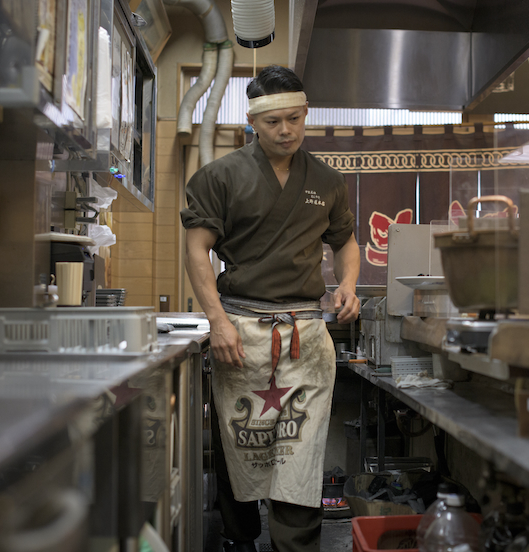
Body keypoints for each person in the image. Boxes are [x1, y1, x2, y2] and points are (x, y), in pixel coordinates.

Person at [180, 64, 361, 552]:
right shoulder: (219, 177)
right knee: (242, 440)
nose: (286, 131)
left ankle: (295, 547)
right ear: (253, 124)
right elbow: (198, 249)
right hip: (240, 328)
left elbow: (346, 242)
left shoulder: (326, 180)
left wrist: (348, 284)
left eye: (295, 119)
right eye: (274, 121)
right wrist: (217, 322)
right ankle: (240, 539)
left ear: (306, 116)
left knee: (300, 452)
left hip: (305, 333)